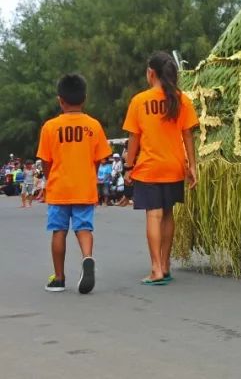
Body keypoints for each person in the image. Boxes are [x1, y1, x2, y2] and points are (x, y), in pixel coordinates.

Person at [122, 52, 199, 286]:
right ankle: (165, 265)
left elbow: (134, 138)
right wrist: (192, 166)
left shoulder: (139, 101)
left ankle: (155, 268)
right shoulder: (181, 99)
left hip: (149, 166)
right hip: (174, 165)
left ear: (151, 73)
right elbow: (188, 136)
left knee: (153, 215)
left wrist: (128, 166)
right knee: (168, 214)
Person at [36, 73, 111, 293]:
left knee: (58, 231)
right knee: (84, 227)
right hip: (83, 187)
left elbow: (45, 161)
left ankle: (59, 278)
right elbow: (99, 160)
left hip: (59, 188)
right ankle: (87, 258)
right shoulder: (93, 126)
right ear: (84, 98)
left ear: (60, 99)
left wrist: (52, 179)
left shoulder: (50, 127)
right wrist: (89, 176)